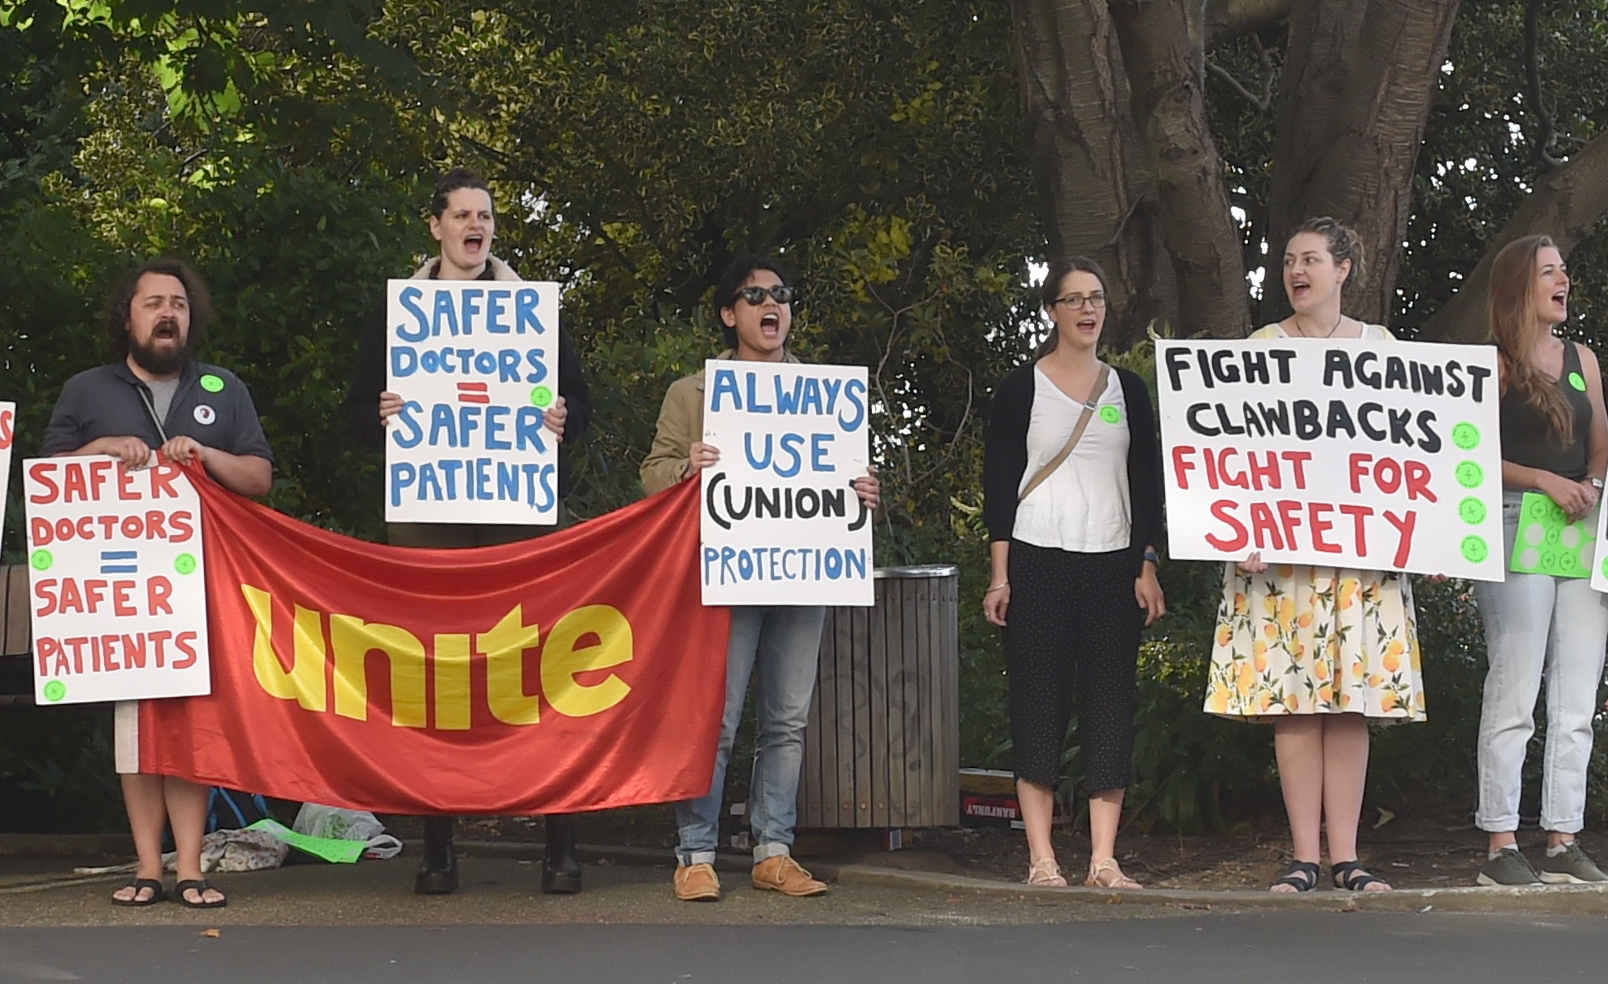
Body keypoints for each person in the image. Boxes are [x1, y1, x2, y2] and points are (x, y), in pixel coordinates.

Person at [344, 167, 593, 895]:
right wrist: (383, 415)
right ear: (436, 227)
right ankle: (439, 846)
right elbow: (354, 414)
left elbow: (580, 402)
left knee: (536, 666)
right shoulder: (400, 313)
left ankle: (560, 842)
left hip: (516, 511)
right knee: (437, 671)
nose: (474, 225)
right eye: (461, 215)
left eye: (484, 215)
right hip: (429, 514)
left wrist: (562, 419)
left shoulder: (531, 310)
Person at [641, 255, 881, 902]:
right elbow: (652, 473)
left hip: (804, 574)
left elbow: (845, 481)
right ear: (729, 314)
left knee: (787, 720)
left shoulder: (824, 395)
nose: (771, 305)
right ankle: (696, 849)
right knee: (714, 720)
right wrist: (685, 468)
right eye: (753, 296)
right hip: (725, 575)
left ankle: (773, 849)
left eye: (781, 294)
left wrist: (861, 490)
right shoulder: (693, 394)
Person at [42, 258, 274, 908]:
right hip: (117, 595)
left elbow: (259, 478)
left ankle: (192, 868)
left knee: (190, 727)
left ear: (190, 317)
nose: (167, 313)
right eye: (153, 303)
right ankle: (149, 867)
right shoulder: (86, 391)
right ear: (128, 316)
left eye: (177, 303)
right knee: (135, 731)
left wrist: (204, 456)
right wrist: (101, 448)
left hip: (203, 590)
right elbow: (46, 476)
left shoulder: (224, 390)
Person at [1203, 217, 1424, 893]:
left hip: (1360, 561)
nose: (1297, 271)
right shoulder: (1258, 349)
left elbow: (1414, 453)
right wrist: (1236, 532)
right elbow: (1231, 456)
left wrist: (1428, 535)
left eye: (1311, 259)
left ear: (1344, 268)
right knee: (1294, 702)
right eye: (1289, 261)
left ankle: (1349, 859)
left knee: (1351, 703)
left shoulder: (1383, 347)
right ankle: (1304, 858)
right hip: (1279, 560)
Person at [981, 256, 1165, 890]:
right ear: (1052, 310)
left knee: (1110, 701)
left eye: (1097, 298)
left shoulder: (1129, 391)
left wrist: (1146, 561)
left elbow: (1149, 486)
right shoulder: (1020, 388)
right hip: (1036, 556)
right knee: (1037, 700)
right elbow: (999, 486)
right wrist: (1000, 577)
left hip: (1112, 561)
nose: (1089, 310)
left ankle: (1104, 860)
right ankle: (1042, 859)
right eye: (1075, 299)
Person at [1472, 234, 1608, 886]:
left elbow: (1599, 441)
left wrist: (1590, 489)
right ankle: (1501, 842)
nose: (1563, 281)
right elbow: (1465, 454)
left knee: (1577, 694)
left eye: (1565, 272)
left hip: (1581, 535)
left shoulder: (1583, 357)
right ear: (1520, 285)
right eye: (1549, 272)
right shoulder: (1490, 366)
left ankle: (1563, 838)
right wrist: (1543, 480)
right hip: (1512, 524)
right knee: (1516, 687)